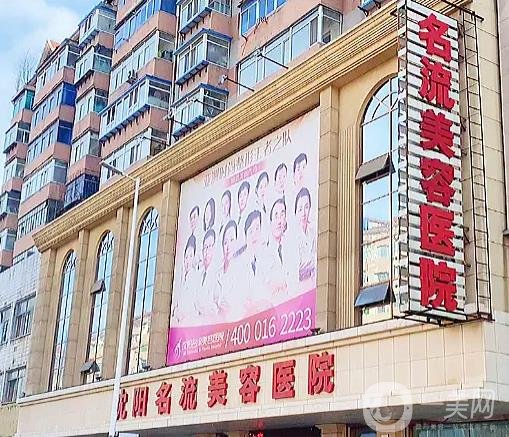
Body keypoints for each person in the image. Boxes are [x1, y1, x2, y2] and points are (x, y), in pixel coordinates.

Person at [266, 198, 298, 302]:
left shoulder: (292, 246)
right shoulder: (264, 252)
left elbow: (294, 279)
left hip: (294, 303)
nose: (279, 221)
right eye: (276, 216)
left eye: (282, 215)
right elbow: (267, 286)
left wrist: (284, 284)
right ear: (270, 222)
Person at [216, 220, 244, 320]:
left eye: (232, 240)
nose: (228, 246)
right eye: (225, 242)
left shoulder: (241, 270)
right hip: (216, 323)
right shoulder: (217, 273)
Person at [171, 235, 200, 325]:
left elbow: (197, 306)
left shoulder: (196, 278)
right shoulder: (180, 277)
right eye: (186, 257)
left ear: (194, 257)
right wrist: (176, 312)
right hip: (177, 322)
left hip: (190, 323)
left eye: (190, 256)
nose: (188, 260)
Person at [196, 229, 220, 320]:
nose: (206, 251)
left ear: (214, 249)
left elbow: (216, 306)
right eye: (205, 247)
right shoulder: (198, 275)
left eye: (210, 246)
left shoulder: (217, 275)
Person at [294, 187, 316, 284]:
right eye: (300, 209)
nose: (303, 213)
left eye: (306, 207)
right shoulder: (292, 237)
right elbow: (296, 269)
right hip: (300, 287)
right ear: (295, 212)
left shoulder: (313, 231)